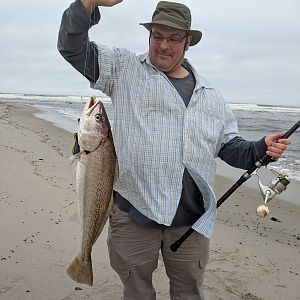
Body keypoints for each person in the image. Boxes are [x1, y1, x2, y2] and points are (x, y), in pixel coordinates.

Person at [58, 1, 291, 299]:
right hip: (133, 214)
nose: (163, 46)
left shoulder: (211, 96)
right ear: (149, 36)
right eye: (157, 36)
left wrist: (261, 147)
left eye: (173, 38)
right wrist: (86, 4)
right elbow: (72, 47)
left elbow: (229, 147)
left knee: (189, 292)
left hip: (190, 223)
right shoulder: (123, 69)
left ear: (188, 42)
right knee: (137, 292)